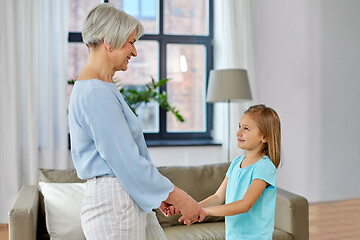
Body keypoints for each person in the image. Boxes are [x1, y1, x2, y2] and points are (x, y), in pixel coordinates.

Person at [68, 3, 205, 240]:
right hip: (114, 205)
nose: (135, 52)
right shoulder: (95, 93)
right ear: (109, 41)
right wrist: (181, 198)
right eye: (131, 42)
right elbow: (127, 161)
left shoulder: (102, 88)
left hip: (122, 199)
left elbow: (128, 159)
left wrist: (160, 194)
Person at [165, 104, 281, 239]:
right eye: (239, 126)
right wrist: (188, 207)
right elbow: (218, 197)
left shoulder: (265, 167)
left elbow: (245, 204)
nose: (238, 132)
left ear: (264, 137)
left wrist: (205, 212)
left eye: (246, 129)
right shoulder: (236, 163)